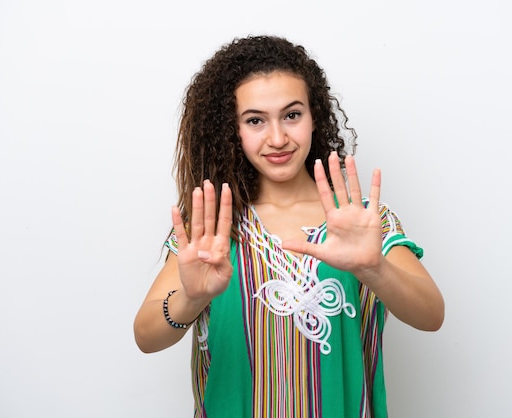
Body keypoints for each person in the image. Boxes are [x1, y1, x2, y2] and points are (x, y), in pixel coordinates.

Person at [134, 35, 444, 418]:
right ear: (234, 130)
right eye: (255, 121)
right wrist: (192, 299)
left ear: (314, 116)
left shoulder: (360, 219)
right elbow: (145, 336)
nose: (277, 138)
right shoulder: (212, 228)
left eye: (292, 115)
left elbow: (432, 315)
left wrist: (373, 268)